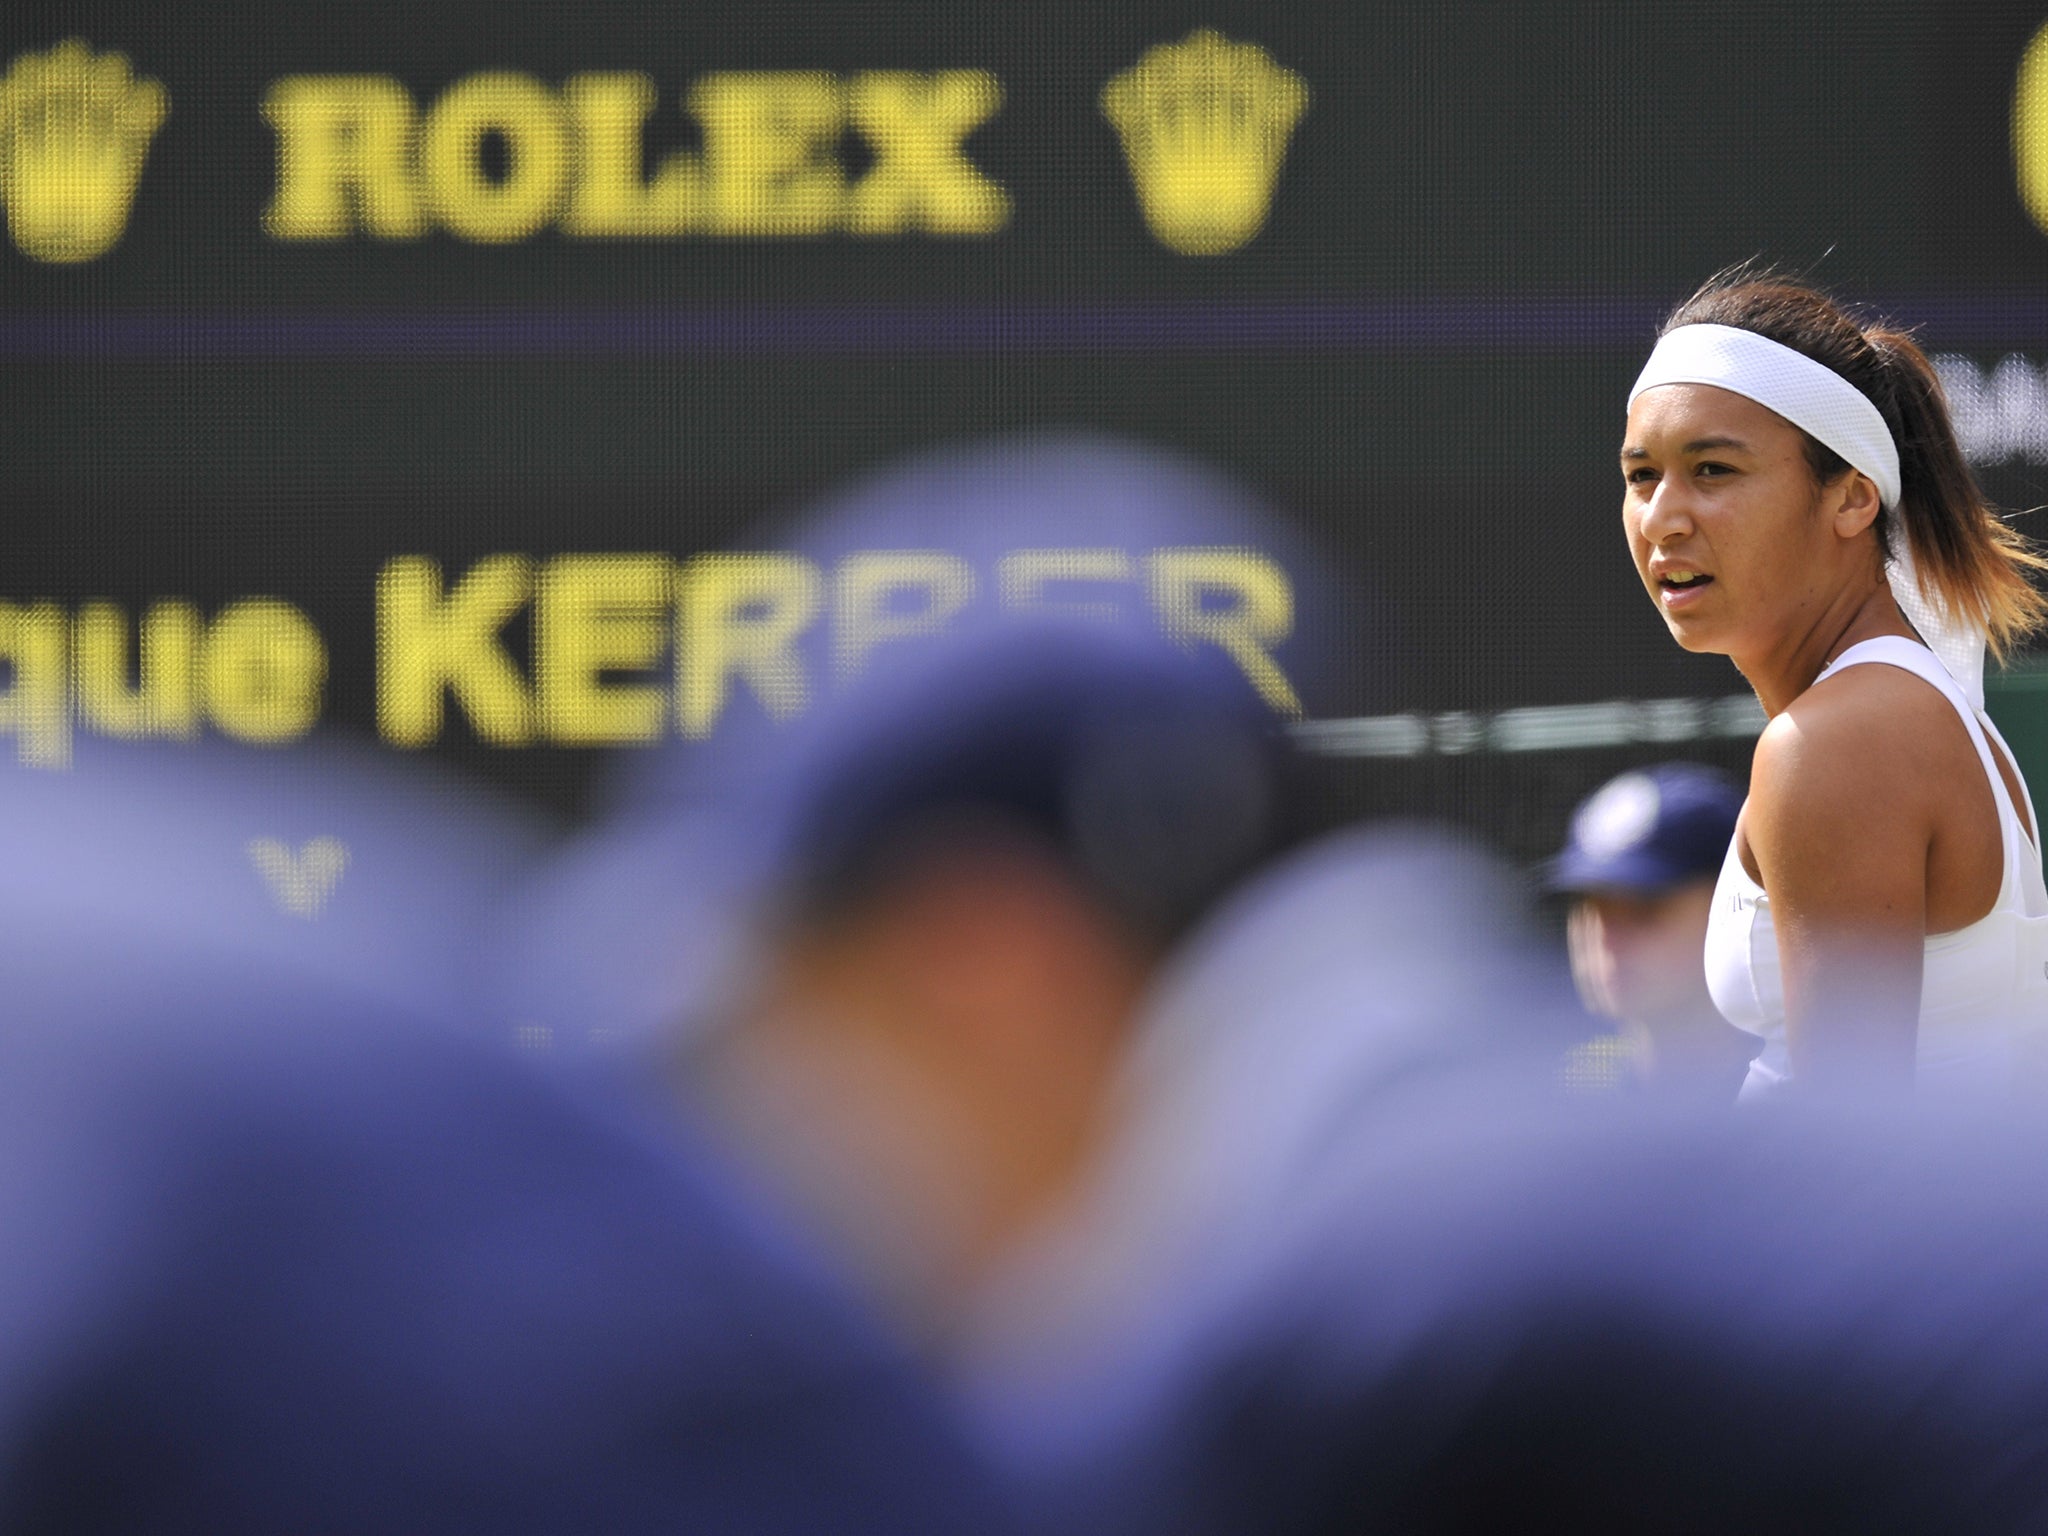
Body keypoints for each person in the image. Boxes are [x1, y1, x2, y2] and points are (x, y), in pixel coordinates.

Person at [1620, 273, 2048, 1098]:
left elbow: (1845, 1160)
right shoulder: (1882, 713)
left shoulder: (1841, 742)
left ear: (1851, 499)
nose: (1663, 518)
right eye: (1642, 476)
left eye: (1712, 470)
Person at [1549, 764, 1759, 1101]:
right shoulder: (1565, 1091)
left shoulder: (1803, 1085)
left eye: (1643, 906)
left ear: (1733, 902)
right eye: (1590, 906)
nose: (1604, 938)